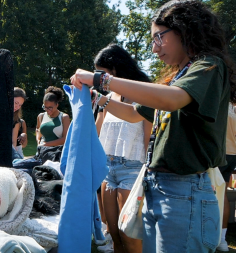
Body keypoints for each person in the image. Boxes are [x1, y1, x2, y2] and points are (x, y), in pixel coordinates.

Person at [70, 1, 236, 252]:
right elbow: (135, 113)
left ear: (185, 30)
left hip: (185, 190)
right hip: (160, 187)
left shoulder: (209, 66)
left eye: (159, 37)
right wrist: (100, 98)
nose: (154, 48)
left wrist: (102, 79)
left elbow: (171, 100)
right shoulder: (179, 76)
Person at [93, 44, 152, 253]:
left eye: (102, 73)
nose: (99, 78)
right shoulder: (108, 98)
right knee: (114, 234)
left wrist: (149, 172)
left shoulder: (144, 93)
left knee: (131, 237)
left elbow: (148, 136)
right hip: (108, 170)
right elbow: (97, 133)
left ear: (115, 70)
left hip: (134, 168)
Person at [217, 102, 236, 251]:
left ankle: (215, 237)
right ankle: (222, 240)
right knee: (222, 194)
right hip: (233, 153)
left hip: (220, 151)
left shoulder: (222, 100)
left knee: (212, 192)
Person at [13, 87, 28, 159]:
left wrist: (24, 136)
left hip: (16, 153)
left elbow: (24, 145)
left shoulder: (20, 122)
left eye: (20, 105)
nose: (17, 107)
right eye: (16, 103)